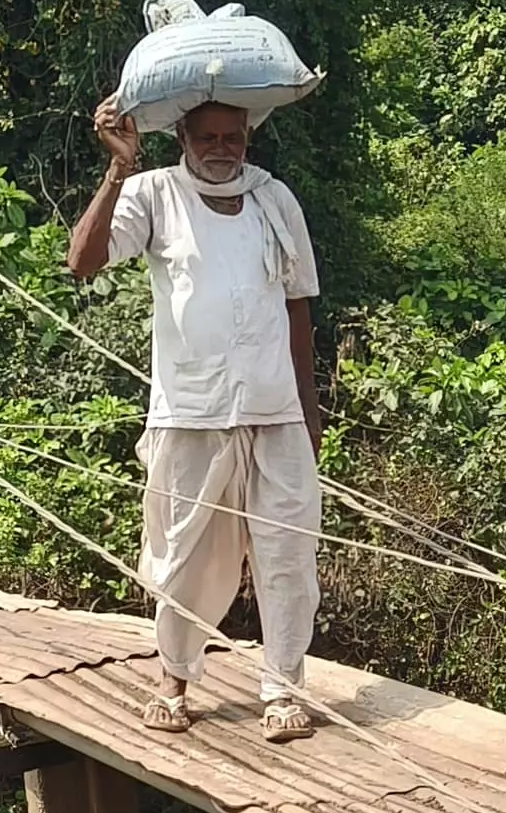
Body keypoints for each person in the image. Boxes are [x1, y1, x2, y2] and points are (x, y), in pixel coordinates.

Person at [67, 92, 325, 741]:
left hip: (275, 413)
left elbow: (298, 311)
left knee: (288, 555)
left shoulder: (275, 201)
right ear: (182, 134)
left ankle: (284, 691)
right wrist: (116, 168)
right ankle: (175, 682)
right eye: (206, 136)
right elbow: (83, 262)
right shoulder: (153, 194)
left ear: (247, 136)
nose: (219, 148)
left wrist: (309, 412)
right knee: (181, 553)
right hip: (188, 412)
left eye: (231, 136)